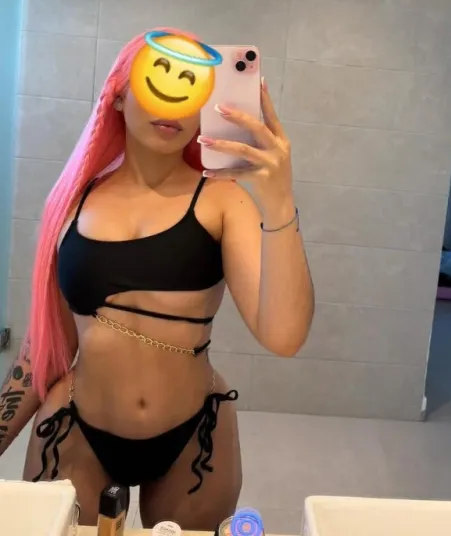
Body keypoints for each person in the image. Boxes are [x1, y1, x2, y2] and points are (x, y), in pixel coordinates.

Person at [0, 27, 314, 530]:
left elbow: (284, 336)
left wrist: (278, 201)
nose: (172, 100)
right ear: (119, 95)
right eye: (157, 77)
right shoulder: (74, 202)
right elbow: (45, 347)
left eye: (191, 86)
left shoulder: (222, 202)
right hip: (76, 427)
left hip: (194, 435)